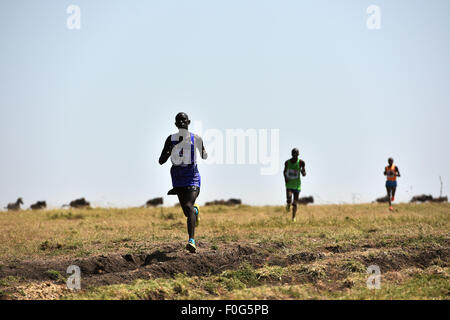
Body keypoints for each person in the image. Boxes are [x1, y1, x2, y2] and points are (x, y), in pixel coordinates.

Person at [159, 112, 207, 253]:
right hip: (178, 179)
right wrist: (168, 152)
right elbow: (161, 161)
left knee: (187, 205)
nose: (181, 123)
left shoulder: (196, 138)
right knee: (188, 211)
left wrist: (203, 150)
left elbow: (204, 155)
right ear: (175, 124)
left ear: (188, 122)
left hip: (192, 178)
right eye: (178, 121)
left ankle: (191, 241)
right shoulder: (171, 139)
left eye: (184, 120)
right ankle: (195, 210)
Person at [283, 148, 306, 222]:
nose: (295, 156)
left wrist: (303, 172)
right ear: (291, 154)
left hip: (297, 185)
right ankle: (288, 204)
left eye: (296, 154)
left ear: (298, 155)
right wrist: (285, 179)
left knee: (295, 203)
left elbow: (304, 173)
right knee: (289, 199)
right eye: (294, 154)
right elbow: (284, 172)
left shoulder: (301, 162)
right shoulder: (287, 162)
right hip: (289, 185)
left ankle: (293, 218)